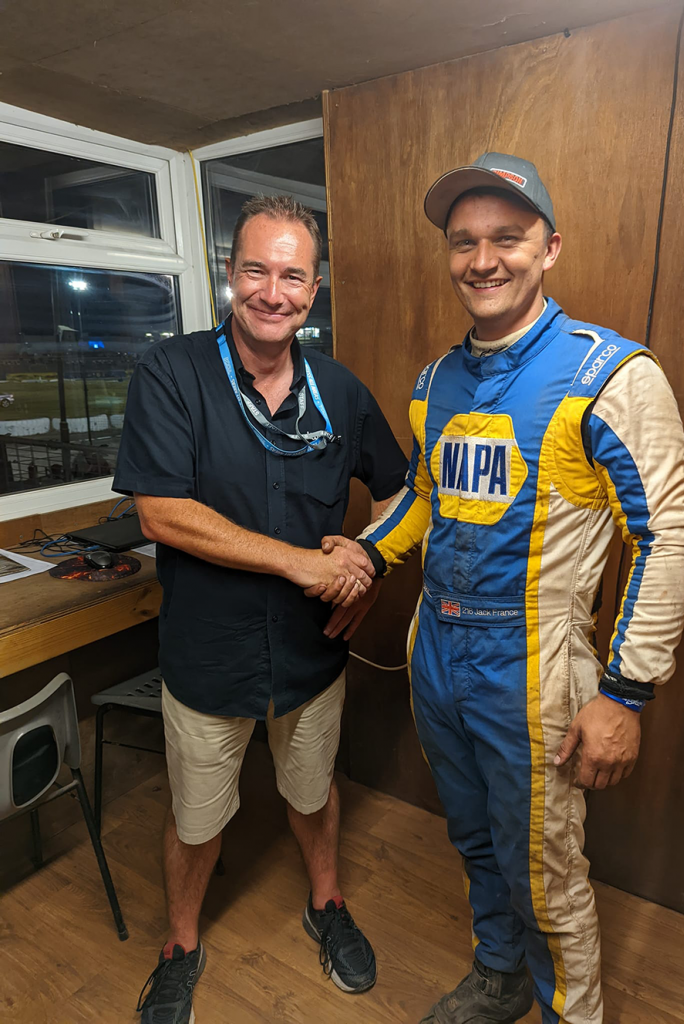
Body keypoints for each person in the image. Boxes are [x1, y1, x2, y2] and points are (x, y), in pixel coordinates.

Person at [322, 154, 684, 1023]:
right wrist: (368, 555)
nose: (482, 260)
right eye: (463, 242)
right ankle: (498, 977)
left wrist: (625, 693)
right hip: (439, 656)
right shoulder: (435, 381)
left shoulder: (609, 374)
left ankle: (573, 1012)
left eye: (506, 237)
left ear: (549, 247)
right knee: (475, 837)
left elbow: (668, 535)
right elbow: (426, 495)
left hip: (533, 668)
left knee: (545, 863)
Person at [113, 194, 407, 1023]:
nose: (272, 292)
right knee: (197, 817)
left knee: (312, 794)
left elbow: (400, 491)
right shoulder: (172, 372)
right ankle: (180, 945)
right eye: (255, 270)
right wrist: (302, 566)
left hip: (311, 658)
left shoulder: (339, 391)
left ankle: (326, 903)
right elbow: (161, 512)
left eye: (292, 276)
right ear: (229, 275)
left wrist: (368, 565)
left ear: (313, 290)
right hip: (210, 658)